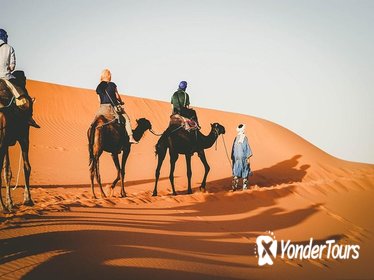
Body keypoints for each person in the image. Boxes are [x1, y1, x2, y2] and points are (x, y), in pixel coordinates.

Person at [0, 28, 40, 128]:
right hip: (5, 77)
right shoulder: (9, 48)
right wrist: (7, 67)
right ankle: (28, 117)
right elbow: (12, 66)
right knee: (23, 95)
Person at [95, 69, 137, 144]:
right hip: (113, 108)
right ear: (109, 76)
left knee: (94, 123)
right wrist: (121, 102)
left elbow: (99, 101)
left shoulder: (98, 87)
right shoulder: (112, 84)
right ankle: (131, 137)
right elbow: (117, 96)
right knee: (126, 119)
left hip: (102, 108)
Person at [231, 124, 253, 191]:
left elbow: (233, 149)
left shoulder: (236, 138)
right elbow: (247, 148)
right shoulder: (245, 138)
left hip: (236, 157)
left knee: (236, 172)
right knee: (245, 171)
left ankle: (234, 186)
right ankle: (244, 187)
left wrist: (233, 158)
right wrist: (248, 159)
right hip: (243, 157)